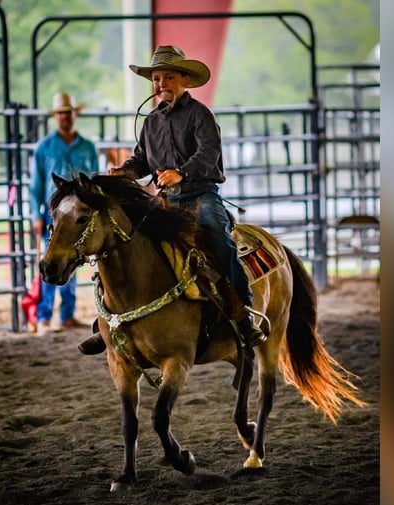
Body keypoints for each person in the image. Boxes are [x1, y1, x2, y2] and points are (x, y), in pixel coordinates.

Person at [78, 46, 265, 354]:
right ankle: (108, 321)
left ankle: (242, 312)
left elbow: (208, 154)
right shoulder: (151, 122)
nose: (161, 84)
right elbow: (142, 160)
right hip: (165, 201)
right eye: (156, 78)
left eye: (167, 78)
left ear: (185, 81)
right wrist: (124, 172)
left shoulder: (200, 115)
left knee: (218, 234)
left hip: (201, 195)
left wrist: (181, 173)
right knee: (122, 237)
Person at [29, 92, 97, 334]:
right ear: (56, 116)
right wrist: (35, 215)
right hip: (55, 213)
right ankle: (44, 316)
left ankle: (67, 315)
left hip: (78, 212)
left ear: (73, 114)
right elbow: (35, 184)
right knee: (51, 262)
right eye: (61, 113)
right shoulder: (44, 147)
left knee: (71, 261)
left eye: (68, 112)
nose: (64, 117)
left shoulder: (88, 147)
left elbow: (94, 180)